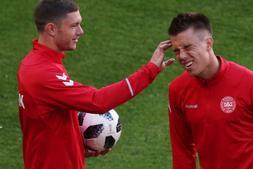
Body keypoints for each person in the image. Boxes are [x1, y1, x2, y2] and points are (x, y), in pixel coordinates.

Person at [17, 0, 174, 169]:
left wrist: (77, 146)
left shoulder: (38, 63)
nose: (81, 31)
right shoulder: (42, 73)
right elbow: (97, 101)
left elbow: (45, 123)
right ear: (52, 29)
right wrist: (150, 70)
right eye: (74, 26)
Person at [167, 12, 253, 169]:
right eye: (177, 50)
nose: (182, 56)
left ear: (208, 43)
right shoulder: (177, 90)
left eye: (187, 47)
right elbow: (182, 151)